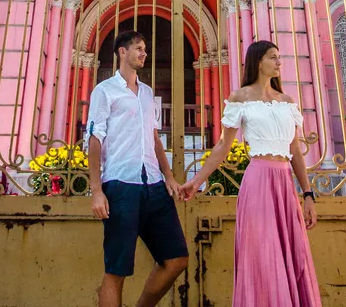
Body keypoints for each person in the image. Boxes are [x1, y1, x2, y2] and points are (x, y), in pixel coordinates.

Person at [181, 40, 321, 307]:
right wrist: (197, 181)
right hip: (257, 182)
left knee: (291, 253)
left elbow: (295, 151)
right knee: (262, 254)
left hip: (284, 185)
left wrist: (308, 193)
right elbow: (223, 145)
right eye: (273, 57)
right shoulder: (240, 98)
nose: (279, 62)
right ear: (258, 62)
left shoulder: (286, 101)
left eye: (279, 57)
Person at [87, 29, 189, 307]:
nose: (144, 53)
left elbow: (154, 138)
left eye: (145, 49)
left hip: (154, 186)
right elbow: (95, 140)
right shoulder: (104, 91)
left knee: (176, 259)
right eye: (139, 49)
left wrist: (168, 177)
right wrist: (97, 191)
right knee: (116, 270)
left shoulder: (146, 93)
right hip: (121, 186)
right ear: (122, 52)